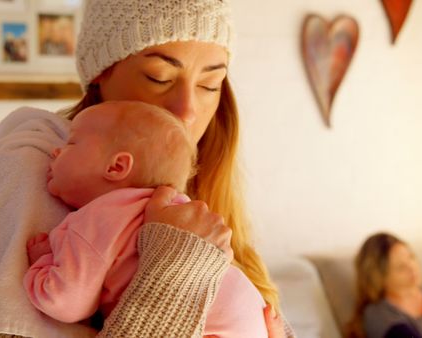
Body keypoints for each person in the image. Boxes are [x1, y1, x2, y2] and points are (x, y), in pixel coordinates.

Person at [0, 0, 293, 337]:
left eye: (210, 85)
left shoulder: (197, 194)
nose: (187, 110)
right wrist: (175, 271)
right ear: (101, 73)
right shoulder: (38, 175)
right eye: (159, 77)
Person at [22, 100, 268, 338]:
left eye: (72, 143)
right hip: (249, 318)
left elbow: (64, 301)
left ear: (116, 166)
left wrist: (44, 262)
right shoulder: (175, 208)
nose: (56, 150)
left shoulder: (98, 218)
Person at [346, 232, 422, 338]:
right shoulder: (377, 315)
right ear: (380, 278)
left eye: (411, 257)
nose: (412, 268)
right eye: (401, 267)